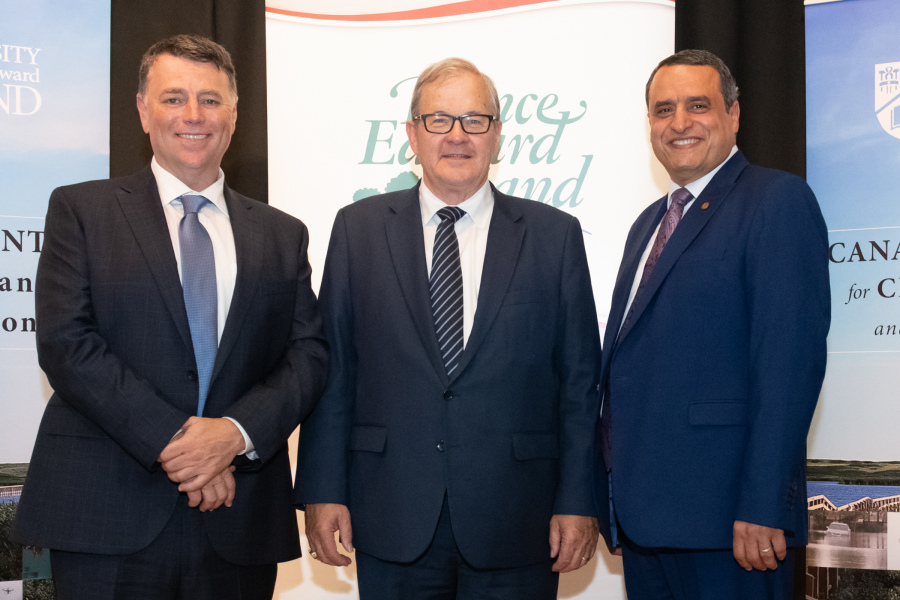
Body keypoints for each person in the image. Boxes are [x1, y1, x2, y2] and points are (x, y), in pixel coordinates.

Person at [11, 34, 327, 599]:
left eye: (209, 100)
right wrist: (184, 445)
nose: (193, 115)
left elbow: (306, 356)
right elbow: (67, 344)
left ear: (233, 115)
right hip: (105, 516)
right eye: (173, 97)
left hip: (239, 522)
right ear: (141, 109)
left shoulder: (283, 233)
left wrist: (232, 436)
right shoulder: (82, 210)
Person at [294, 57, 601, 599]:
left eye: (475, 120)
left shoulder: (555, 236)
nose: (457, 136)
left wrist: (578, 499)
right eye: (439, 120)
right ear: (412, 133)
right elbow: (334, 371)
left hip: (517, 517)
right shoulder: (357, 229)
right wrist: (323, 489)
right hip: (390, 511)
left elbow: (578, 383)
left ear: (498, 134)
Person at [596, 49, 830, 599]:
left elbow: (788, 365)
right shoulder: (647, 224)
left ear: (734, 114)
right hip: (647, 520)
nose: (679, 122)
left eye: (697, 105)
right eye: (663, 109)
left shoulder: (776, 201)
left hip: (733, 527)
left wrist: (762, 503)